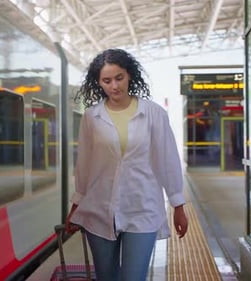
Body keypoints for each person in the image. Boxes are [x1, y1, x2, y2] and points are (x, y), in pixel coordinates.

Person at [65, 48, 188, 281]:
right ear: (99, 83)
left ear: (129, 75)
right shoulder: (91, 117)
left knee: (134, 277)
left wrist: (178, 205)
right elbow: (84, 163)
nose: (114, 86)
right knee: (106, 277)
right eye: (107, 80)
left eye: (119, 78)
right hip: (99, 208)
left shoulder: (153, 114)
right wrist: (76, 205)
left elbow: (168, 160)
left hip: (142, 208)